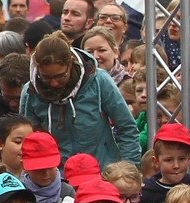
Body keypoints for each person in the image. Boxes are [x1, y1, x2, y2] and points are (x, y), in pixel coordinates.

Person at [18, 34, 137, 165]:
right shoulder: (30, 92)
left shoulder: (99, 81)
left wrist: (129, 170)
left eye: (60, 76)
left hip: (102, 171)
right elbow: (29, 140)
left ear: (70, 63)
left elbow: (127, 128)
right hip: (57, 176)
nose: (54, 84)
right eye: (46, 77)